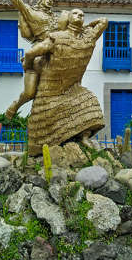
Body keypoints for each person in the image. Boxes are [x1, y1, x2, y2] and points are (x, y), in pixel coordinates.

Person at [25, 9, 109, 154]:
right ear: (67, 19)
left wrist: (84, 27)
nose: (80, 16)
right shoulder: (56, 38)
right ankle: (45, 151)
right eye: (75, 14)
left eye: (82, 15)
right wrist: (29, 66)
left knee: (89, 101)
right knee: (43, 120)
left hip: (72, 87)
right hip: (49, 90)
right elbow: (30, 53)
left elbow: (104, 21)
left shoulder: (87, 38)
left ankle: (83, 137)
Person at [4, 0, 69, 118]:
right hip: (38, 52)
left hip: (54, 51)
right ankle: (15, 105)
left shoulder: (57, 18)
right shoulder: (31, 12)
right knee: (29, 93)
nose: (51, 0)